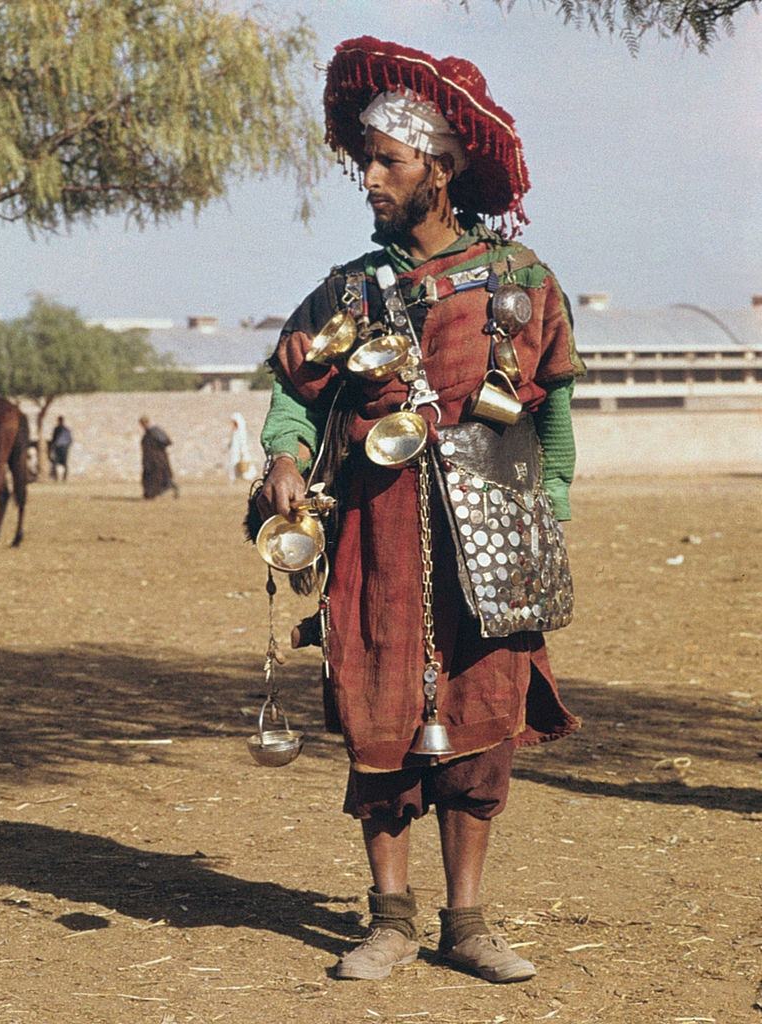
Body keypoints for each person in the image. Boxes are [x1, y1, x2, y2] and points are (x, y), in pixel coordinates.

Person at [254, 38, 584, 985]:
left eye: (386, 161)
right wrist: (283, 455)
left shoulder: (520, 278)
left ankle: (466, 924)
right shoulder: (348, 292)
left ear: (438, 170)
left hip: (493, 536)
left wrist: (547, 502)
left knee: (484, 711)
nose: (368, 178)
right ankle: (389, 920)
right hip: (377, 534)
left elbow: (553, 403)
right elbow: (293, 393)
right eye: (364, 161)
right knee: (377, 704)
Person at [139, 415, 179, 499]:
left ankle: (154, 493)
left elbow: (166, 442)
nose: (143, 426)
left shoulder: (155, 431)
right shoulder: (147, 433)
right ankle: (150, 494)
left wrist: (157, 450)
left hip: (158, 459)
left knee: (158, 477)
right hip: (149, 460)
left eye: (144, 423)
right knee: (148, 477)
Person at [226, 412, 256, 483]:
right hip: (234, 453)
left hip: (240, 452)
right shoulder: (235, 432)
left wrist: (242, 452)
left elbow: (243, 443)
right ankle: (233, 478)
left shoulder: (241, 432)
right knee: (233, 464)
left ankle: (249, 477)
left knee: (245, 464)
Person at [49, 415, 73, 482]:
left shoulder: (65, 430)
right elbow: (54, 438)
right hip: (59, 448)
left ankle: (63, 478)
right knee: (56, 463)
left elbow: (69, 440)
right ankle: (56, 478)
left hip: (62, 448)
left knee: (63, 463)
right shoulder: (57, 429)